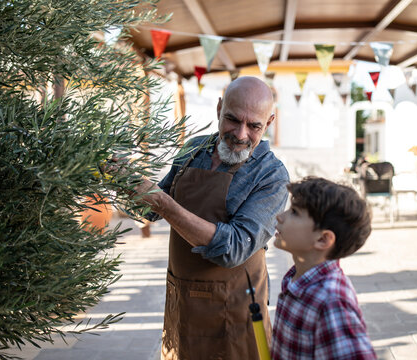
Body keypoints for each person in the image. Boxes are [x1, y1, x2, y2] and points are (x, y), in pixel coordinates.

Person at [128, 76, 289, 359]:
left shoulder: (271, 175)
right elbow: (150, 209)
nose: (240, 134)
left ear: (270, 122)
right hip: (183, 303)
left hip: (235, 313)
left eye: (254, 126)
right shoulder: (194, 150)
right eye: (232, 119)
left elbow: (233, 248)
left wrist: (165, 204)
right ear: (218, 109)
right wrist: (122, 179)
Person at [271, 177, 376, 360]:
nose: (280, 216)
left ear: (323, 239)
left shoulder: (331, 301)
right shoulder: (296, 280)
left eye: (295, 212)